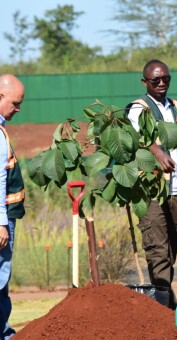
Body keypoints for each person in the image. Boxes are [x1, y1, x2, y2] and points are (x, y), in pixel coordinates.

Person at [126, 59, 177, 309]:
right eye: (156, 80)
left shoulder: (175, 107)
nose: (162, 83)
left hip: (176, 190)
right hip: (150, 192)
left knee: (172, 248)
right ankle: (165, 307)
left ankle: (162, 298)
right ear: (145, 82)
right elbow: (136, 140)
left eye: (166, 79)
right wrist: (156, 152)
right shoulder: (138, 109)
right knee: (157, 249)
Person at [0, 74, 26, 339]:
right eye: (15, 103)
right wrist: (1, 222)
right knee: (0, 278)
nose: (18, 109)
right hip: (2, 221)